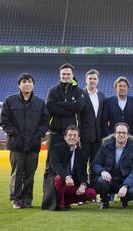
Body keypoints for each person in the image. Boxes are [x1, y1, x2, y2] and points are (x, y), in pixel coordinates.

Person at [0, 73, 50, 208]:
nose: (27, 84)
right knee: (16, 174)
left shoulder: (40, 103)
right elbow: (4, 121)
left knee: (30, 174)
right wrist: (15, 135)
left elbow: (45, 122)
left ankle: (27, 200)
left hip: (33, 145)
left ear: (33, 85)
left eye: (29, 82)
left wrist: (38, 135)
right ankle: (16, 199)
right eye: (24, 82)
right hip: (17, 145)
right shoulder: (10, 101)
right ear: (19, 85)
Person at [43, 63, 85, 209]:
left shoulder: (79, 91)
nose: (66, 76)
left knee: (72, 166)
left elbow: (79, 106)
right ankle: (49, 200)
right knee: (51, 168)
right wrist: (69, 107)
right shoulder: (53, 90)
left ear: (72, 75)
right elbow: (50, 107)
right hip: (55, 135)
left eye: (68, 74)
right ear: (59, 75)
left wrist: (60, 105)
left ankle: (69, 199)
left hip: (72, 137)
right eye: (63, 74)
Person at [93, 122, 133, 209]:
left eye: (124, 133)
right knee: (101, 181)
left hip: (124, 180)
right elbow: (96, 163)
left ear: (128, 135)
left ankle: (124, 200)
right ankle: (105, 201)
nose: (121, 135)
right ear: (115, 134)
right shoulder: (106, 145)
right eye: (119, 132)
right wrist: (102, 171)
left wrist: (126, 185)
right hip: (109, 180)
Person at [51, 125, 97, 210]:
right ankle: (60, 204)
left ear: (79, 138)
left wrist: (83, 185)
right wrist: (66, 177)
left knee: (91, 193)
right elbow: (56, 165)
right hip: (57, 185)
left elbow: (83, 173)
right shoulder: (56, 148)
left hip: (72, 185)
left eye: (75, 135)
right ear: (65, 137)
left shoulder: (81, 152)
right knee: (59, 178)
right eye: (70, 135)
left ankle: (66, 201)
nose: (72, 137)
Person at [80, 69, 105, 186]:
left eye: (94, 78)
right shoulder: (80, 94)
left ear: (98, 80)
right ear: (86, 79)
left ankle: (93, 191)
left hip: (97, 138)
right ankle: (83, 189)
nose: (92, 81)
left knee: (95, 165)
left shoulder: (101, 95)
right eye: (90, 78)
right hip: (84, 138)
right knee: (81, 165)